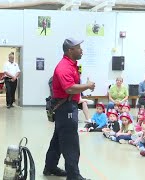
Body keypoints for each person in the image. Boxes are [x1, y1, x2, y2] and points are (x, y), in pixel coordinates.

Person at [44, 38, 95, 180]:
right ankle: (74, 176)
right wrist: (87, 85)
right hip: (65, 109)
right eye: (79, 47)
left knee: (58, 139)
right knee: (71, 143)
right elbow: (70, 88)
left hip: (66, 106)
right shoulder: (64, 67)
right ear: (70, 50)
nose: (82, 50)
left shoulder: (71, 65)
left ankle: (50, 167)